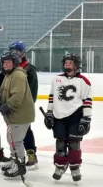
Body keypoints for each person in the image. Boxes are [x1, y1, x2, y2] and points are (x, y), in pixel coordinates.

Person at [44, 53, 91, 183]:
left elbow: (87, 100)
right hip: (59, 116)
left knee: (74, 144)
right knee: (60, 143)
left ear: (76, 65)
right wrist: (49, 113)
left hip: (76, 116)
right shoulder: (57, 79)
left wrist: (87, 118)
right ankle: (60, 165)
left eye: (70, 63)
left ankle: (75, 167)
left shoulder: (83, 81)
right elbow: (52, 97)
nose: (67, 65)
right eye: (66, 63)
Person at [0, 51, 35, 178]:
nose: (6, 65)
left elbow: (17, 96)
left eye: (9, 62)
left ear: (15, 63)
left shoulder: (18, 75)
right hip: (13, 114)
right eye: (4, 62)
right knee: (11, 139)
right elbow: (3, 92)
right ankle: (15, 161)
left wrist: (7, 105)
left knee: (16, 141)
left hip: (20, 114)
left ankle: (20, 165)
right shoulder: (9, 75)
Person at [9, 41, 39, 169]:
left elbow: (32, 90)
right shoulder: (10, 68)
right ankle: (16, 156)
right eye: (12, 51)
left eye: (17, 51)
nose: (14, 54)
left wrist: (26, 105)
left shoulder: (29, 69)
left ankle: (31, 153)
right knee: (13, 133)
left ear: (23, 53)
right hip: (12, 106)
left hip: (23, 107)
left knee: (26, 131)